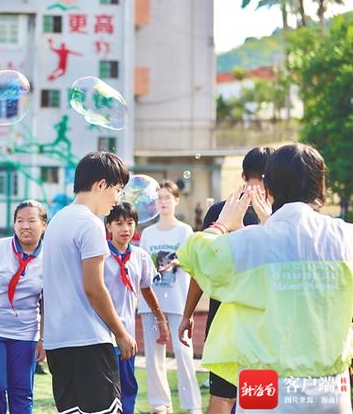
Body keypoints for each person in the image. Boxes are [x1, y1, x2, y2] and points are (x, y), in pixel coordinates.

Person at [177, 143, 353, 413]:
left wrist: (223, 224)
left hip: (263, 381)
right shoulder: (345, 237)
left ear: (269, 188)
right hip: (331, 385)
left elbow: (195, 254)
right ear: (321, 188)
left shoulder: (254, 241)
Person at [178, 146, 273, 414]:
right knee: (257, 398)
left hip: (225, 324)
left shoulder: (222, 212)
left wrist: (188, 314)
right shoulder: (278, 215)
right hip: (261, 323)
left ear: (242, 176)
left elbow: (200, 266)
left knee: (223, 398)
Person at [42, 151, 137, 414]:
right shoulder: (91, 224)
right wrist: (120, 332)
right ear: (101, 185)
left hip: (57, 343)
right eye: (118, 189)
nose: (117, 199)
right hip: (89, 342)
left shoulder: (57, 221)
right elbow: (94, 288)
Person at [0, 200, 47, 414]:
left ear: (44, 225)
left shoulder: (50, 257)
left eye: (32, 221)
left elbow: (46, 301)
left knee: (21, 393)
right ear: (14, 225)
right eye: (20, 221)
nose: (25, 226)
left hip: (25, 332)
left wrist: (43, 338)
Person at [138, 180, 201, 414]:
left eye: (167, 197)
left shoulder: (185, 231)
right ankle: (159, 403)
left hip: (178, 301)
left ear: (176, 200)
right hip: (150, 303)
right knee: (153, 357)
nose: (163, 201)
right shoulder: (147, 233)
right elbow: (143, 268)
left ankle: (191, 405)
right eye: (159, 197)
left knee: (184, 354)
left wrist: (178, 261)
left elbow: (193, 262)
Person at [104, 202, 170, 414]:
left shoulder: (140, 257)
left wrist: (161, 320)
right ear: (109, 227)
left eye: (130, 223)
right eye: (119, 223)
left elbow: (147, 289)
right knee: (104, 390)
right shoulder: (99, 255)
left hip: (127, 336)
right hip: (102, 335)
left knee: (128, 387)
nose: (125, 228)